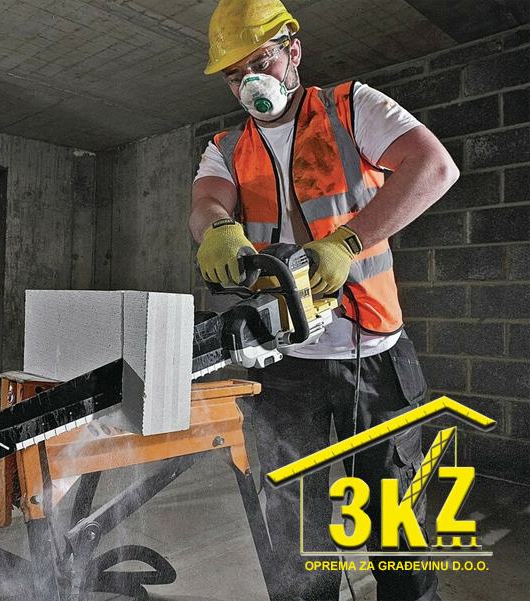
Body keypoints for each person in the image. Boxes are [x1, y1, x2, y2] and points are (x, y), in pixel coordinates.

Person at [190, 1, 459, 600]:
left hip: (373, 355)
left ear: (293, 50)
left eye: (260, 62)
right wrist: (216, 227)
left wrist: (349, 241)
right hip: (283, 366)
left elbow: (434, 167)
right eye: (234, 75)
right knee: (294, 533)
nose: (249, 83)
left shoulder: (350, 108)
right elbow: (206, 200)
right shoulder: (227, 147)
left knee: (394, 524)